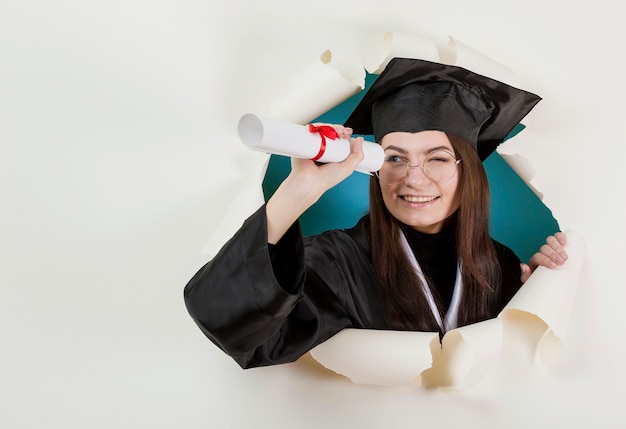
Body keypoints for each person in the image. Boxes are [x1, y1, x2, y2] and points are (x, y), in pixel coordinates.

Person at [184, 58, 568, 369]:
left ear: (468, 170)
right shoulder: (338, 261)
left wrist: (535, 295)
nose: (413, 180)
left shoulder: (499, 265)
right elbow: (238, 334)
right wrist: (299, 191)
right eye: (395, 158)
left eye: (436, 159)